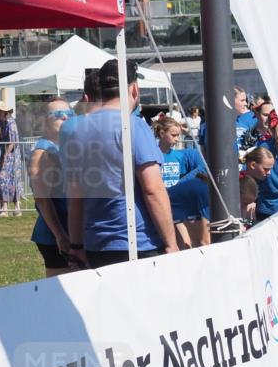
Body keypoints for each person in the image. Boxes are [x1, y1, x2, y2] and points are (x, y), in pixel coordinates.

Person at [63, 58, 178, 268]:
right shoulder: (134, 126)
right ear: (134, 89)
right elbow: (153, 189)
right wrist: (171, 243)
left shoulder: (77, 131)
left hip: (96, 245)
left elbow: (75, 197)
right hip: (138, 243)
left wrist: (76, 245)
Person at [28, 99, 73, 276]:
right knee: (60, 290)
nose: (64, 117)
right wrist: (60, 235)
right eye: (57, 114)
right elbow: (42, 199)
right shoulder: (43, 153)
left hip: (69, 228)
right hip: (54, 234)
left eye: (68, 114)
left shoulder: (64, 147)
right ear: (45, 120)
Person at [155, 117, 210, 249]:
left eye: (178, 135)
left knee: (185, 246)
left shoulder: (180, 155)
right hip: (161, 203)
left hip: (177, 204)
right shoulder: (152, 155)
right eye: (173, 135)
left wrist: (180, 184)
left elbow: (202, 166)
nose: (177, 139)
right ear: (162, 133)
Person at [0, 96, 22, 217]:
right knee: (4, 180)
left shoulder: (11, 122)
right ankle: (5, 208)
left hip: (12, 156)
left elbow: (12, 141)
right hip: (7, 155)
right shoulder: (3, 122)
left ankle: (16, 208)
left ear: (3, 111)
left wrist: (5, 156)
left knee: (12, 180)